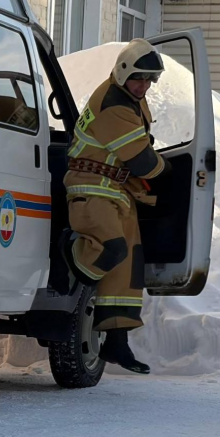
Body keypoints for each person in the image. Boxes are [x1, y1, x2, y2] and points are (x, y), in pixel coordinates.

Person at [62, 38, 169, 375]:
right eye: (140, 78)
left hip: (116, 192)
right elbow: (141, 161)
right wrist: (167, 170)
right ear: (124, 73)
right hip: (91, 189)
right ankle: (73, 258)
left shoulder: (128, 98)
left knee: (126, 270)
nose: (144, 86)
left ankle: (117, 344)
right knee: (112, 250)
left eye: (150, 81)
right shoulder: (115, 104)